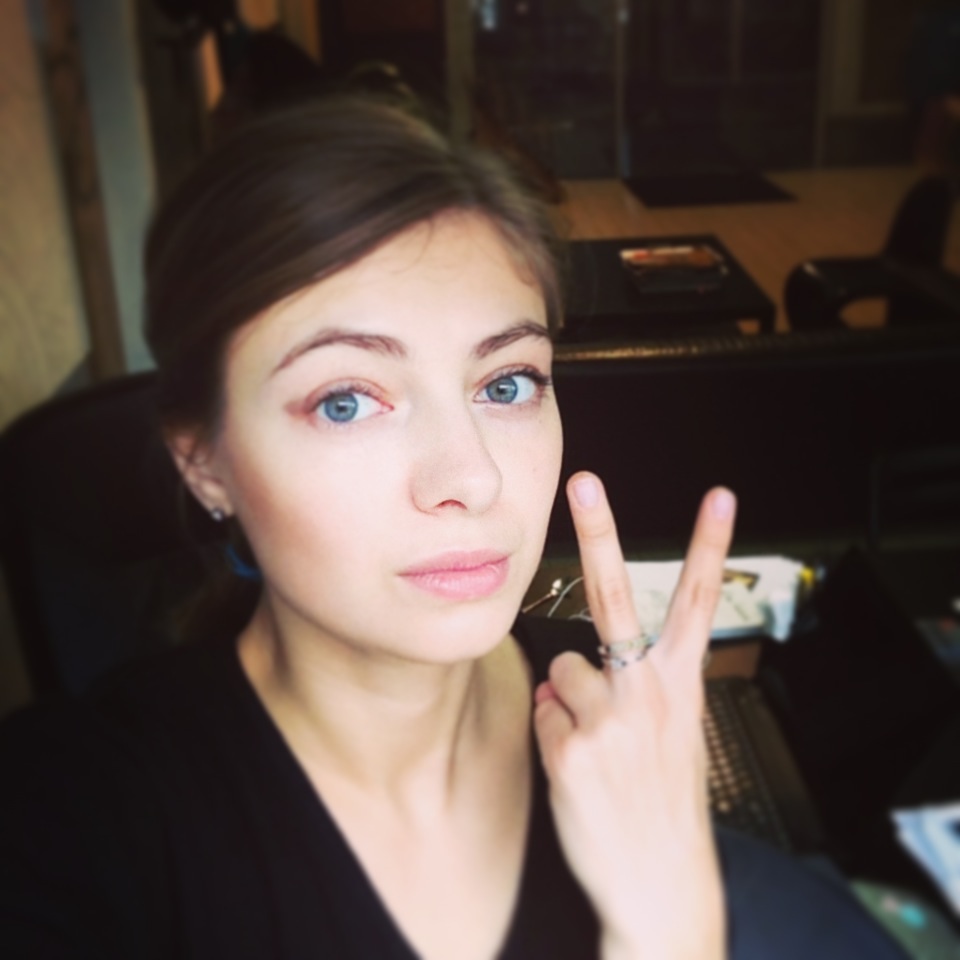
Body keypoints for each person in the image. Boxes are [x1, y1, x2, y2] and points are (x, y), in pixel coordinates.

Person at [0, 96, 907, 959]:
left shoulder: (602, 716)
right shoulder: (72, 815)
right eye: (346, 401)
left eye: (506, 384)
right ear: (203, 460)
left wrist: (673, 914)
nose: (471, 477)